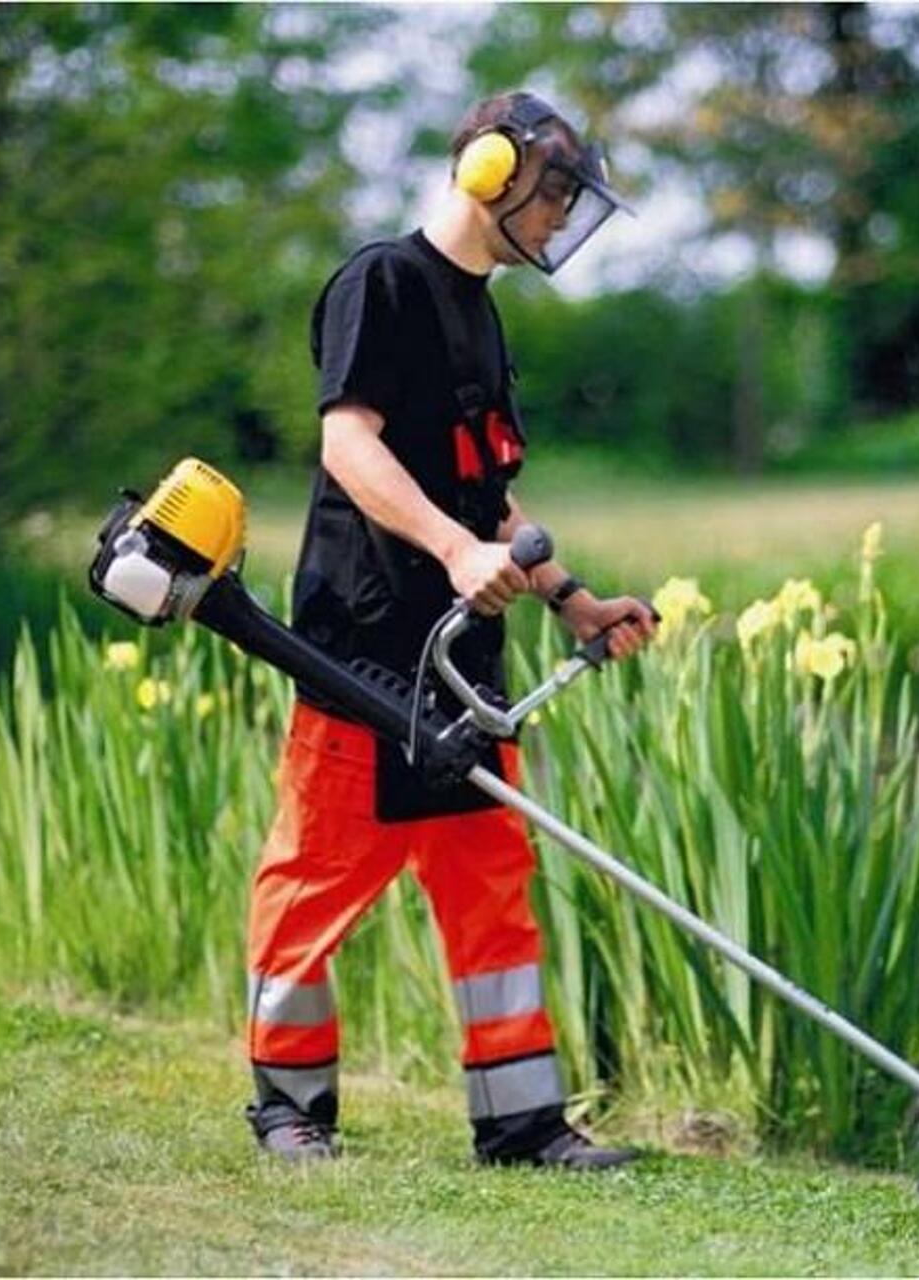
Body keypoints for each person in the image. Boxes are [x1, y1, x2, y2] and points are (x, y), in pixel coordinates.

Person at [243, 90, 658, 1168]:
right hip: (363, 653)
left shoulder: (482, 309)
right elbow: (350, 445)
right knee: (313, 886)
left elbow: (490, 497)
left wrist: (574, 597)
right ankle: (289, 1107)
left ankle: (519, 1125)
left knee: (492, 898)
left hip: (467, 670)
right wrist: (451, 551)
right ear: (490, 171)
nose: (562, 221)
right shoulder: (380, 282)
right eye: (555, 195)